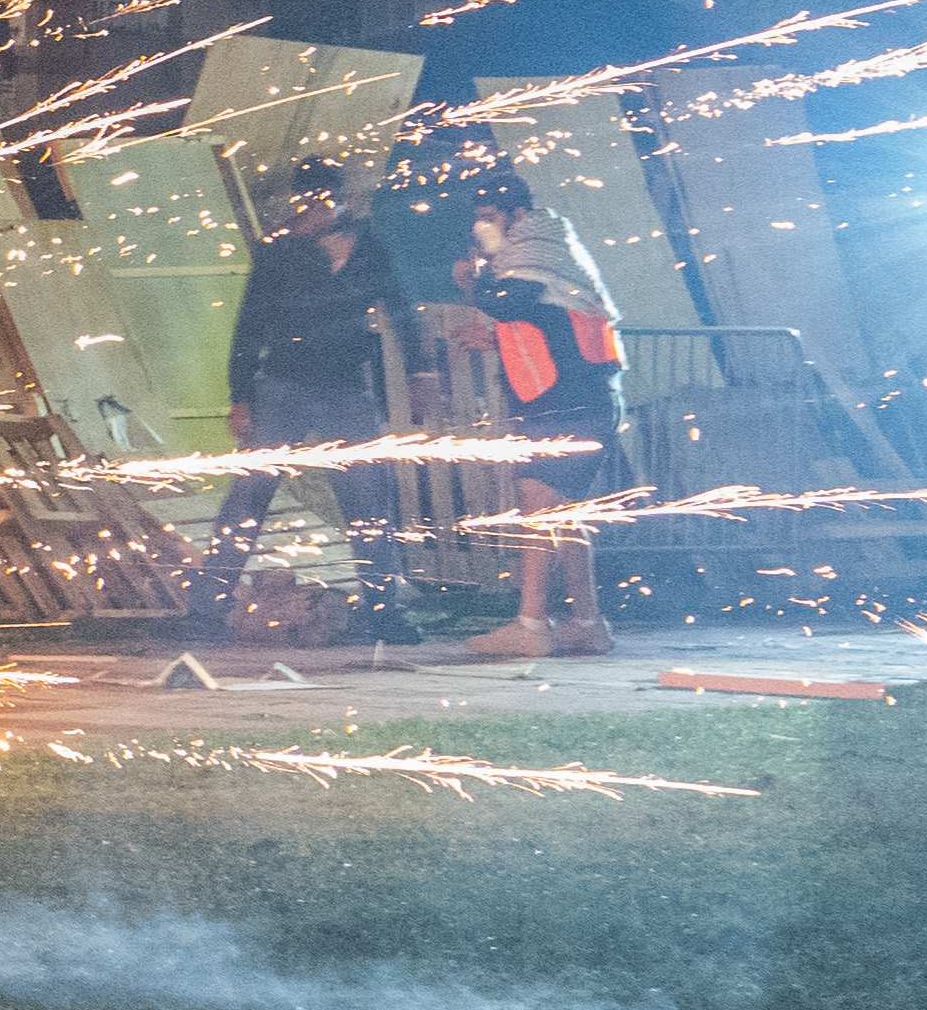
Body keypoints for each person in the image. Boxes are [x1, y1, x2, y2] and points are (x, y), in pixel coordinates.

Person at [194, 155, 420, 644]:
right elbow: (250, 324)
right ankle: (206, 607)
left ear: (336, 201)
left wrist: (422, 369)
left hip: (345, 388)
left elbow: (400, 306)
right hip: (282, 386)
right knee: (249, 496)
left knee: (367, 498)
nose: (314, 210)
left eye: (323, 200)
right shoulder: (280, 251)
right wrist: (241, 396)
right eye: (309, 201)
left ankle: (384, 610)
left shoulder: (366, 247)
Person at [450, 163, 626, 657]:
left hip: (568, 403)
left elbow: (510, 303)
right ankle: (588, 623)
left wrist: (471, 282)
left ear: (516, 213)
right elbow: (551, 324)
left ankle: (530, 625)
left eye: (489, 218)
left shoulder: (534, 249)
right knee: (564, 512)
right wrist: (497, 342)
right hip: (579, 399)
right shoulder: (549, 251)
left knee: (537, 504)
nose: (482, 227)